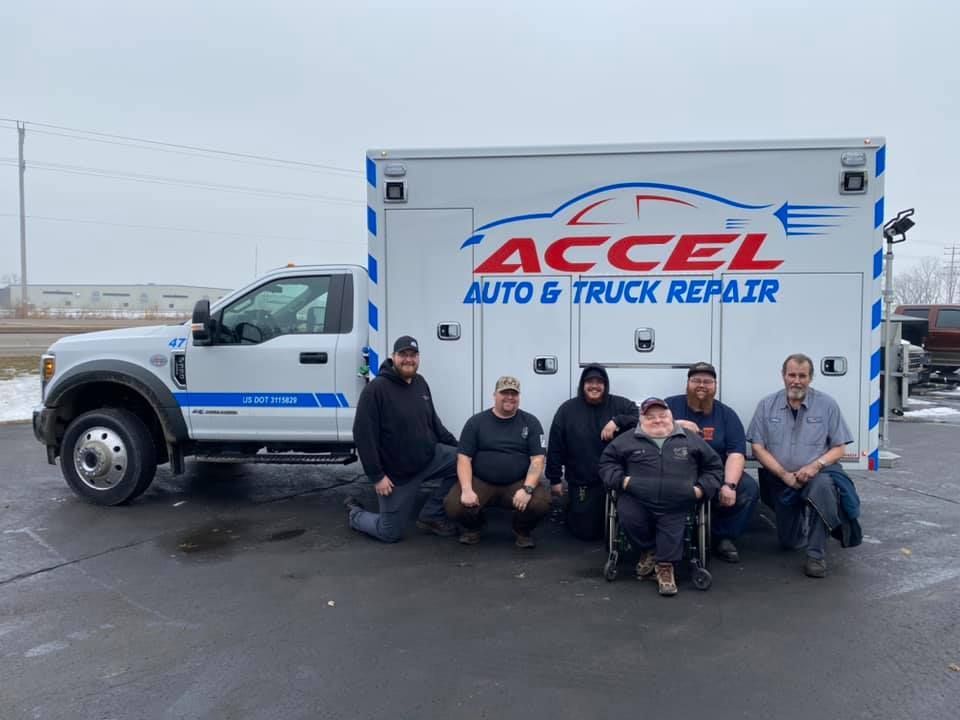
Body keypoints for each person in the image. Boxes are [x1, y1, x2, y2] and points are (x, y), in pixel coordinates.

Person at [599, 398, 723, 596]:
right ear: (641, 420)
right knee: (629, 517)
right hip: (636, 496)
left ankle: (665, 567)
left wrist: (700, 489)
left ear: (671, 417)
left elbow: (714, 466)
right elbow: (606, 463)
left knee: (672, 524)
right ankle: (649, 550)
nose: (657, 420)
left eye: (662, 416)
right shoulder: (627, 439)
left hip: (678, 498)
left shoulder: (690, 438)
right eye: (651, 417)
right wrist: (623, 482)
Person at [746, 353, 855, 578]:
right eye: (792, 375)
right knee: (789, 542)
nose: (796, 380)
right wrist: (784, 475)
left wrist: (815, 466)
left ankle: (816, 555)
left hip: (815, 474)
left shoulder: (827, 405)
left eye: (802, 376)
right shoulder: (767, 405)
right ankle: (806, 526)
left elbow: (839, 448)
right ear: (783, 376)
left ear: (811, 378)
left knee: (823, 490)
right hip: (780, 478)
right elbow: (758, 448)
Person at [347, 335, 459, 542]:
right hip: (399, 475)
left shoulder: (420, 382)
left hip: (429, 459)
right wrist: (377, 476)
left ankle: (431, 514)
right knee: (389, 532)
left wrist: (461, 448)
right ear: (393, 357)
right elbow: (363, 435)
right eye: (403, 355)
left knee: (464, 462)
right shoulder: (376, 390)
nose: (408, 359)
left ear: (418, 358)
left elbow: (434, 424)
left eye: (413, 355)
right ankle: (355, 514)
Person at [664, 362, 760, 563]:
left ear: (715, 386)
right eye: (696, 380)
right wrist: (676, 425)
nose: (701, 385)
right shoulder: (669, 406)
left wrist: (730, 485)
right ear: (687, 384)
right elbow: (646, 427)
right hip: (676, 471)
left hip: (714, 472)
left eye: (707, 381)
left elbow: (736, 453)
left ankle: (722, 536)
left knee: (748, 489)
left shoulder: (727, 415)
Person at [444, 376, 550, 548]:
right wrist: (467, 489)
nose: (509, 397)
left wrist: (527, 489)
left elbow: (537, 460)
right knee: (453, 505)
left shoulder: (530, 422)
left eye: (513, 394)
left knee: (541, 503)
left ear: (519, 397)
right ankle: (475, 527)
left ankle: (521, 530)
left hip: (517, 482)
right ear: (494, 395)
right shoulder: (476, 422)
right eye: (504, 393)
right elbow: (464, 458)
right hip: (481, 481)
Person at [546, 365, 639, 541]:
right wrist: (555, 479)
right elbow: (555, 445)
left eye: (599, 382)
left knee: (621, 527)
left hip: (616, 479)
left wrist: (617, 421)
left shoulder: (620, 404)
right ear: (582, 385)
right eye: (589, 382)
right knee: (586, 533)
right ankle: (573, 509)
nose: (594, 386)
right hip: (583, 479)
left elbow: (640, 418)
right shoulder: (567, 409)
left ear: (606, 385)